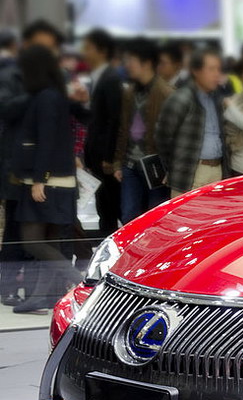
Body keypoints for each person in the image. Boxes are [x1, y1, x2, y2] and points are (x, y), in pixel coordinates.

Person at [10, 45, 80, 314]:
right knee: (48, 241)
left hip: (48, 181)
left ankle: (82, 282)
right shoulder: (52, 95)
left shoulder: (47, 97)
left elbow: (47, 139)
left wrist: (40, 178)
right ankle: (42, 296)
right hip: (54, 179)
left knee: (32, 240)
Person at [0, 20, 63, 306]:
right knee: (17, 227)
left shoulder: (48, 78)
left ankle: (38, 291)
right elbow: (6, 109)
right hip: (17, 165)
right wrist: (36, 95)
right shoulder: (12, 75)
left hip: (40, 165)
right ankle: (9, 287)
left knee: (38, 228)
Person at [113, 39, 174, 223]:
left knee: (155, 218)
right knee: (128, 217)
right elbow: (123, 129)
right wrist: (118, 162)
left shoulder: (166, 93)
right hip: (130, 164)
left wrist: (171, 168)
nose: (127, 65)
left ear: (147, 63)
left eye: (131, 60)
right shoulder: (129, 92)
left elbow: (175, 135)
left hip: (156, 166)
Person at [155, 49, 226, 195]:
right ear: (196, 71)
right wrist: (176, 167)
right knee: (187, 210)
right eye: (211, 69)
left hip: (217, 170)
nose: (216, 74)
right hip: (190, 172)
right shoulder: (181, 98)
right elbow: (162, 137)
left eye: (218, 69)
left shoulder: (217, 99)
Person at [80, 28, 124, 235]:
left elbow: (114, 119)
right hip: (96, 155)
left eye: (89, 48)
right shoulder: (97, 77)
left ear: (102, 51)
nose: (85, 52)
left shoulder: (111, 78)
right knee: (103, 206)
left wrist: (109, 156)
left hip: (105, 157)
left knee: (110, 206)